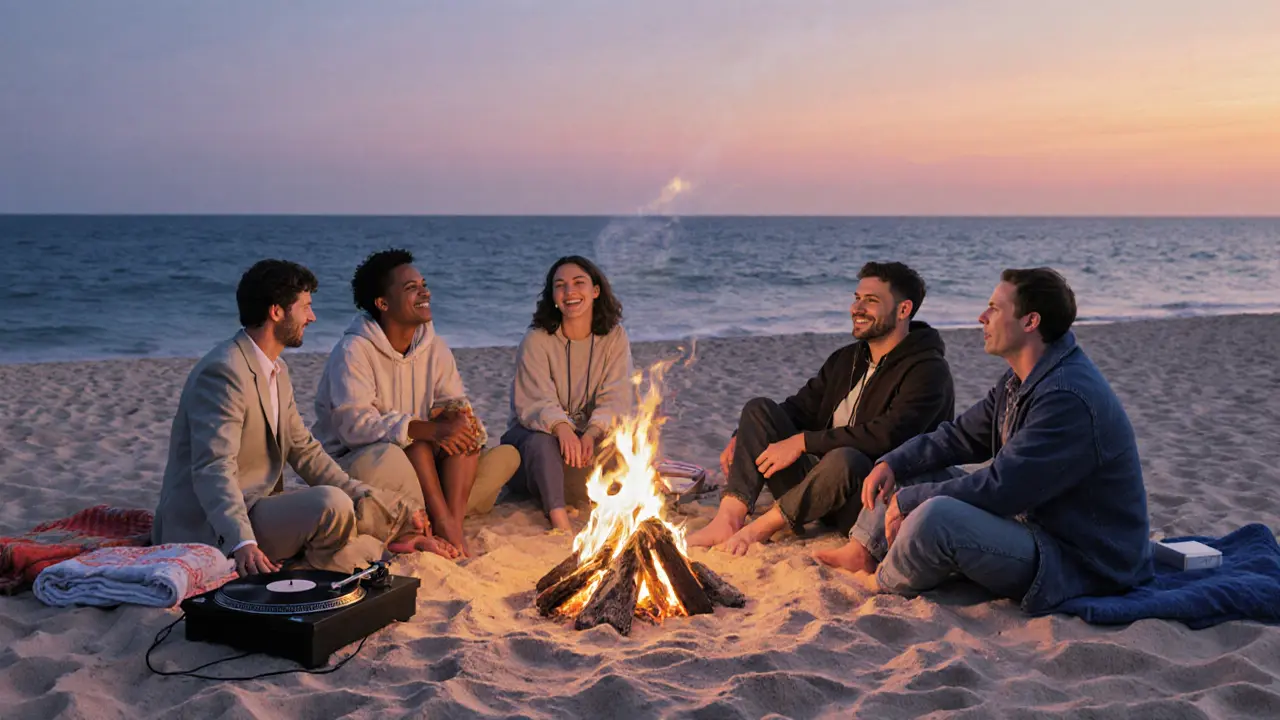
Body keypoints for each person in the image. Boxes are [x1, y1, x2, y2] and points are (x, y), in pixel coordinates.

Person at [837, 268, 1153, 613]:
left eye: (994, 309)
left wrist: (911, 501)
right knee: (909, 473)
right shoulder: (1020, 379)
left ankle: (882, 585)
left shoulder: (1066, 396)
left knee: (936, 516)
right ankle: (860, 552)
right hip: (1030, 523)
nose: (981, 317)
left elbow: (1002, 489)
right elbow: (957, 437)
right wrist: (892, 462)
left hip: (1076, 559)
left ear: (1030, 321)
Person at [153, 259, 431, 578]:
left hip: (256, 505)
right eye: (305, 307)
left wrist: (366, 496)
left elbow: (304, 450)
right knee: (331, 504)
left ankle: (368, 542)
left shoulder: (276, 370)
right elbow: (213, 467)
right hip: (210, 526)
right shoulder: (224, 372)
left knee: (359, 500)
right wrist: (242, 542)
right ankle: (346, 552)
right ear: (276, 311)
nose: (312, 317)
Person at [687, 262, 957, 556]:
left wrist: (802, 442)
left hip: (867, 500)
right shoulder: (847, 359)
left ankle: (761, 527)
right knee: (758, 410)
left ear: (903, 310)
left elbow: (887, 436)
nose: (857, 308)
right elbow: (799, 408)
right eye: (857, 298)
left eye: (871, 300)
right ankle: (729, 518)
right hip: (813, 486)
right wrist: (744, 438)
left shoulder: (928, 370)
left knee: (846, 458)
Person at [313, 249, 520, 559]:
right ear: (382, 303)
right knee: (413, 444)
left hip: (422, 468)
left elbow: (452, 401)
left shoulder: (434, 346)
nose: (425, 292)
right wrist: (427, 429)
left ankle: (440, 516)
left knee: (503, 454)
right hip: (363, 461)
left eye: (423, 284)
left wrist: (459, 420)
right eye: (411, 288)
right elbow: (353, 427)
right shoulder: (354, 350)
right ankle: (447, 521)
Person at [501, 255, 633, 532]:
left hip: (583, 445)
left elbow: (616, 396)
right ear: (553, 296)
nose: (569, 292)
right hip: (535, 445)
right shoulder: (536, 339)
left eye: (578, 283)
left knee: (629, 437)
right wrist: (562, 429)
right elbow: (535, 401)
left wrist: (592, 432)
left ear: (595, 291)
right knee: (542, 442)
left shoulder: (614, 337)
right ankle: (558, 517)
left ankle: (593, 498)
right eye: (560, 285)